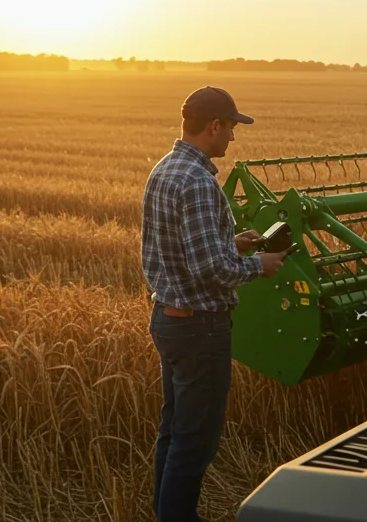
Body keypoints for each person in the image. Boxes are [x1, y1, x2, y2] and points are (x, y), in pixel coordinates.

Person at [142, 85, 293, 522]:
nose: (232, 137)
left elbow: (181, 247)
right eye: (230, 128)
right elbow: (213, 270)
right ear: (213, 126)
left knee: (173, 433)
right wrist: (258, 265)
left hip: (169, 319)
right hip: (200, 327)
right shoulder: (198, 183)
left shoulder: (165, 170)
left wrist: (232, 242)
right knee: (196, 442)